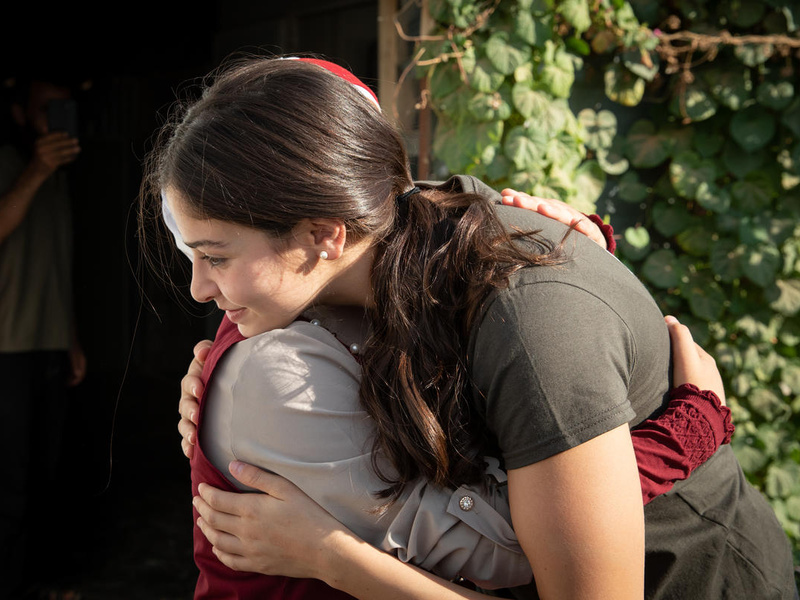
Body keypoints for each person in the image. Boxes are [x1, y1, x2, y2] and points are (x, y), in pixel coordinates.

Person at [140, 56, 797, 599]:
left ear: (323, 234)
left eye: (215, 256)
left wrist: (331, 555)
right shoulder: (360, 244)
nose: (199, 288)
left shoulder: (529, 320)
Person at [0, 75, 87, 599]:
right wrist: (37, 168)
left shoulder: (58, 182)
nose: (56, 121)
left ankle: (40, 583)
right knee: (8, 481)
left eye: (65, 111)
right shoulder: (16, 169)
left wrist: (72, 337)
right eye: (45, 111)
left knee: (47, 473)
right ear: (19, 115)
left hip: (51, 343)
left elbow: (57, 267)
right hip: (5, 347)